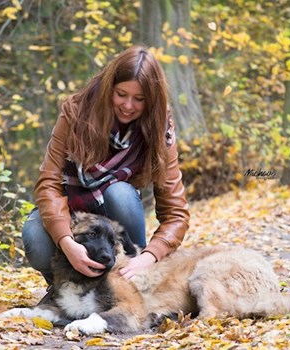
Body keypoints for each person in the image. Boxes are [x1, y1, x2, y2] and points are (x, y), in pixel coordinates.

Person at [22, 45, 190, 301]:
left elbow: (176, 213)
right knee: (35, 236)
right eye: (121, 94)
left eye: (140, 99)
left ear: (152, 100)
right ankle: (64, 285)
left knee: (120, 192)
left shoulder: (158, 126)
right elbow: (48, 183)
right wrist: (67, 241)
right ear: (110, 87)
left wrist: (149, 257)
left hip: (116, 220)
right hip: (73, 213)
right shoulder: (76, 111)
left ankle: (130, 283)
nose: (128, 106)